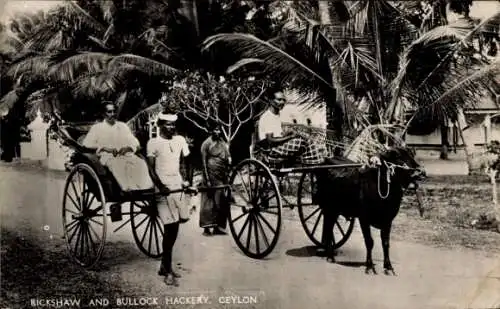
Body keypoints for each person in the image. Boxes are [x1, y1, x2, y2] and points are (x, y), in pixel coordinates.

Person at [147, 112, 192, 286]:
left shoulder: (180, 140)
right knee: (170, 226)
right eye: (168, 124)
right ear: (160, 125)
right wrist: (160, 186)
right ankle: (167, 269)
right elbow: (151, 169)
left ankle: (164, 266)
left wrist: (187, 180)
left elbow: (187, 161)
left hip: (178, 185)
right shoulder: (153, 143)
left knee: (175, 226)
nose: (172, 127)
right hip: (163, 188)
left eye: (173, 124)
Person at [82, 102, 153, 191]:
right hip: (108, 157)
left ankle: (143, 189)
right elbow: (86, 144)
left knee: (140, 163)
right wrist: (104, 148)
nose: (112, 114)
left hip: (127, 155)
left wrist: (129, 148)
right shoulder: (97, 128)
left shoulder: (123, 126)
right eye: (109, 112)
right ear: (104, 114)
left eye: (114, 111)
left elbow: (134, 142)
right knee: (118, 165)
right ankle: (127, 190)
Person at [256, 90, 327, 166]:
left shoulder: (277, 115)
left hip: (278, 145)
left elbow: (278, 135)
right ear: (270, 101)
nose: (282, 102)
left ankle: (315, 162)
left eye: (284, 100)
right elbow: (270, 140)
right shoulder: (268, 117)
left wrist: (288, 133)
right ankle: (312, 162)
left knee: (308, 139)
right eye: (279, 99)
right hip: (271, 149)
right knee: (300, 141)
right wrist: (290, 137)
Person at [199, 124, 231, 236]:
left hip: (221, 175)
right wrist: (207, 179)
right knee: (209, 202)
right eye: (215, 129)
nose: (218, 132)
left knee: (221, 201)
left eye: (219, 129)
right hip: (210, 175)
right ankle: (206, 229)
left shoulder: (222, 143)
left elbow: (227, 156)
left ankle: (218, 227)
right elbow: (203, 162)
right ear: (211, 131)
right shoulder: (206, 144)